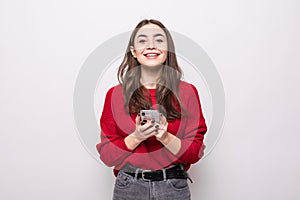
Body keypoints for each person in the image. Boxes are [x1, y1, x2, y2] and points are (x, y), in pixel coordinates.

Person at [96, 19, 207, 200]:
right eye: (142, 41)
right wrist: (137, 136)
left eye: (158, 40)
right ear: (133, 51)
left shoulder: (187, 92)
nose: (151, 46)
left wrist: (164, 136)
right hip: (129, 187)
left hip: (173, 187)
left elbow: (193, 153)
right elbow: (108, 157)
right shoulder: (115, 95)